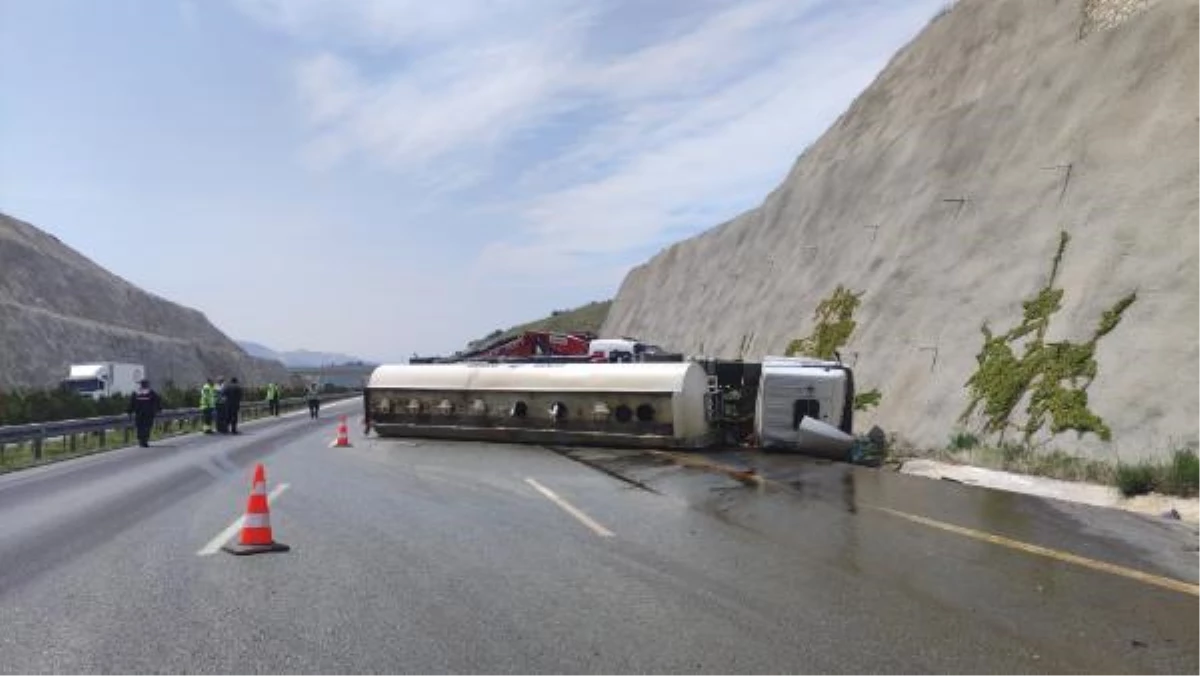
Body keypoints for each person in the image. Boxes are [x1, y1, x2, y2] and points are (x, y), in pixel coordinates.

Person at [127, 379, 163, 447]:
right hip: (148, 414)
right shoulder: (150, 392)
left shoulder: (136, 392)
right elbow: (157, 401)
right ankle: (144, 440)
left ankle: (142, 440)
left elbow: (131, 403)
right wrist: (159, 409)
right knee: (146, 427)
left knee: (141, 427)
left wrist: (129, 411)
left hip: (140, 413)